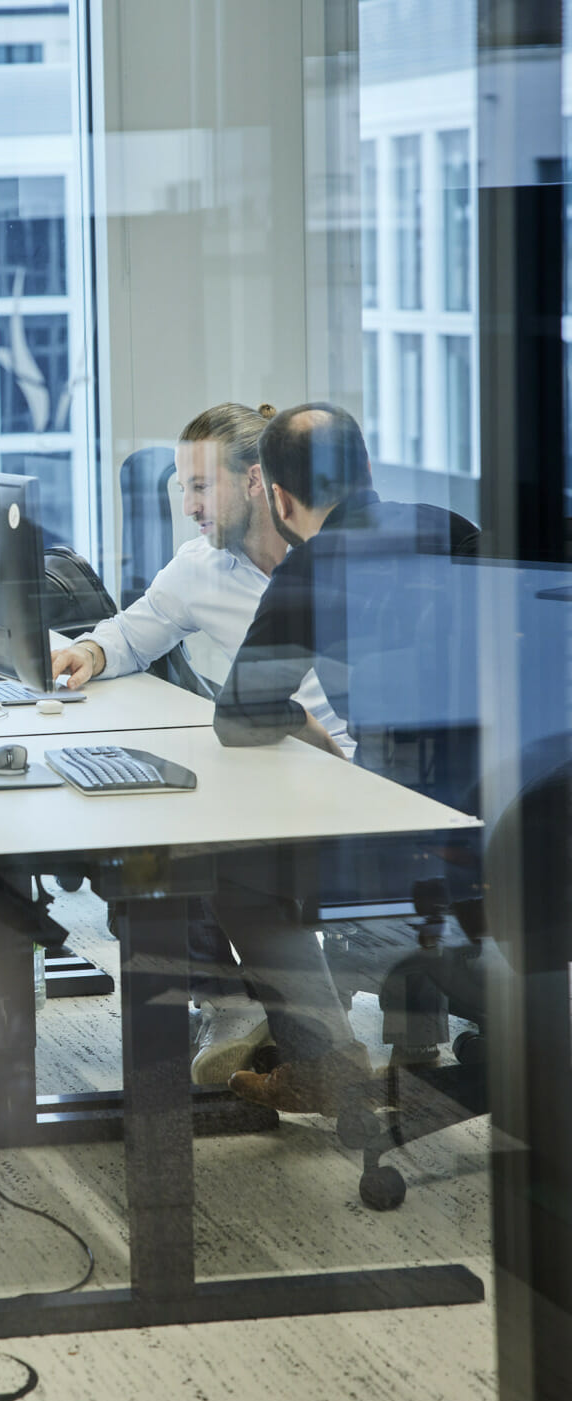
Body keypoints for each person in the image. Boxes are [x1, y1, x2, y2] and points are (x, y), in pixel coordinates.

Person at [49, 401, 350, 1086]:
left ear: (254, 482)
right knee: (138, 830)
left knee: (188, 840)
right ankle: (230, 1001)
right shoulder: (202, 568)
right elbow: (137, 629)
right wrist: (92, 652)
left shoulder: (341, 557)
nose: (186, 506)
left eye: (198, 486)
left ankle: (290, 1032)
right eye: (181, 487)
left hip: (359, 774)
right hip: (278, 759)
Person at [212, 402, 480, 1115]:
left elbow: (239, 714)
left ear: (278, 497)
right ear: (366, 469)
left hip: (410, 832)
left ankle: (321, 1059)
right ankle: (449, 1019)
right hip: (515, 815)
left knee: (235, 866)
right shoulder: (454, 531)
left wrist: (308, 727)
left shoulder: (312, 569)